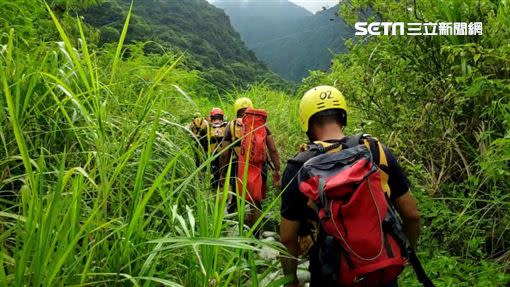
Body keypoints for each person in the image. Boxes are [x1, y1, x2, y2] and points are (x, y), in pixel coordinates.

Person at [279, 86, 421, 287]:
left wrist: (291, 281)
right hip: (382, 269)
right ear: (342, 116)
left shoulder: (299, 166)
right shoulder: (375, 151)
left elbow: (287, 237)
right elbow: (412, 215)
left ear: (306, 122)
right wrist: (407, 250)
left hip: (330, 273)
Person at [220, 97, 282, 228]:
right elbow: (273, 149)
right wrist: (277, 169)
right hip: (260, 167)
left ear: (236, 110)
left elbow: (224, 153)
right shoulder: (262, 125)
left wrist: (223, 173)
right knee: (256, 200)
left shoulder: (231, 126)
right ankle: (256, 231)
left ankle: (238, 229)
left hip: (238, 168)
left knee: (237, 198)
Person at [207, 107, 228, 189]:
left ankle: (215, 187)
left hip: (213, 153)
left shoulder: (208, 127)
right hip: (225, 153)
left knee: (214, 171)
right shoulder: (227, 126)